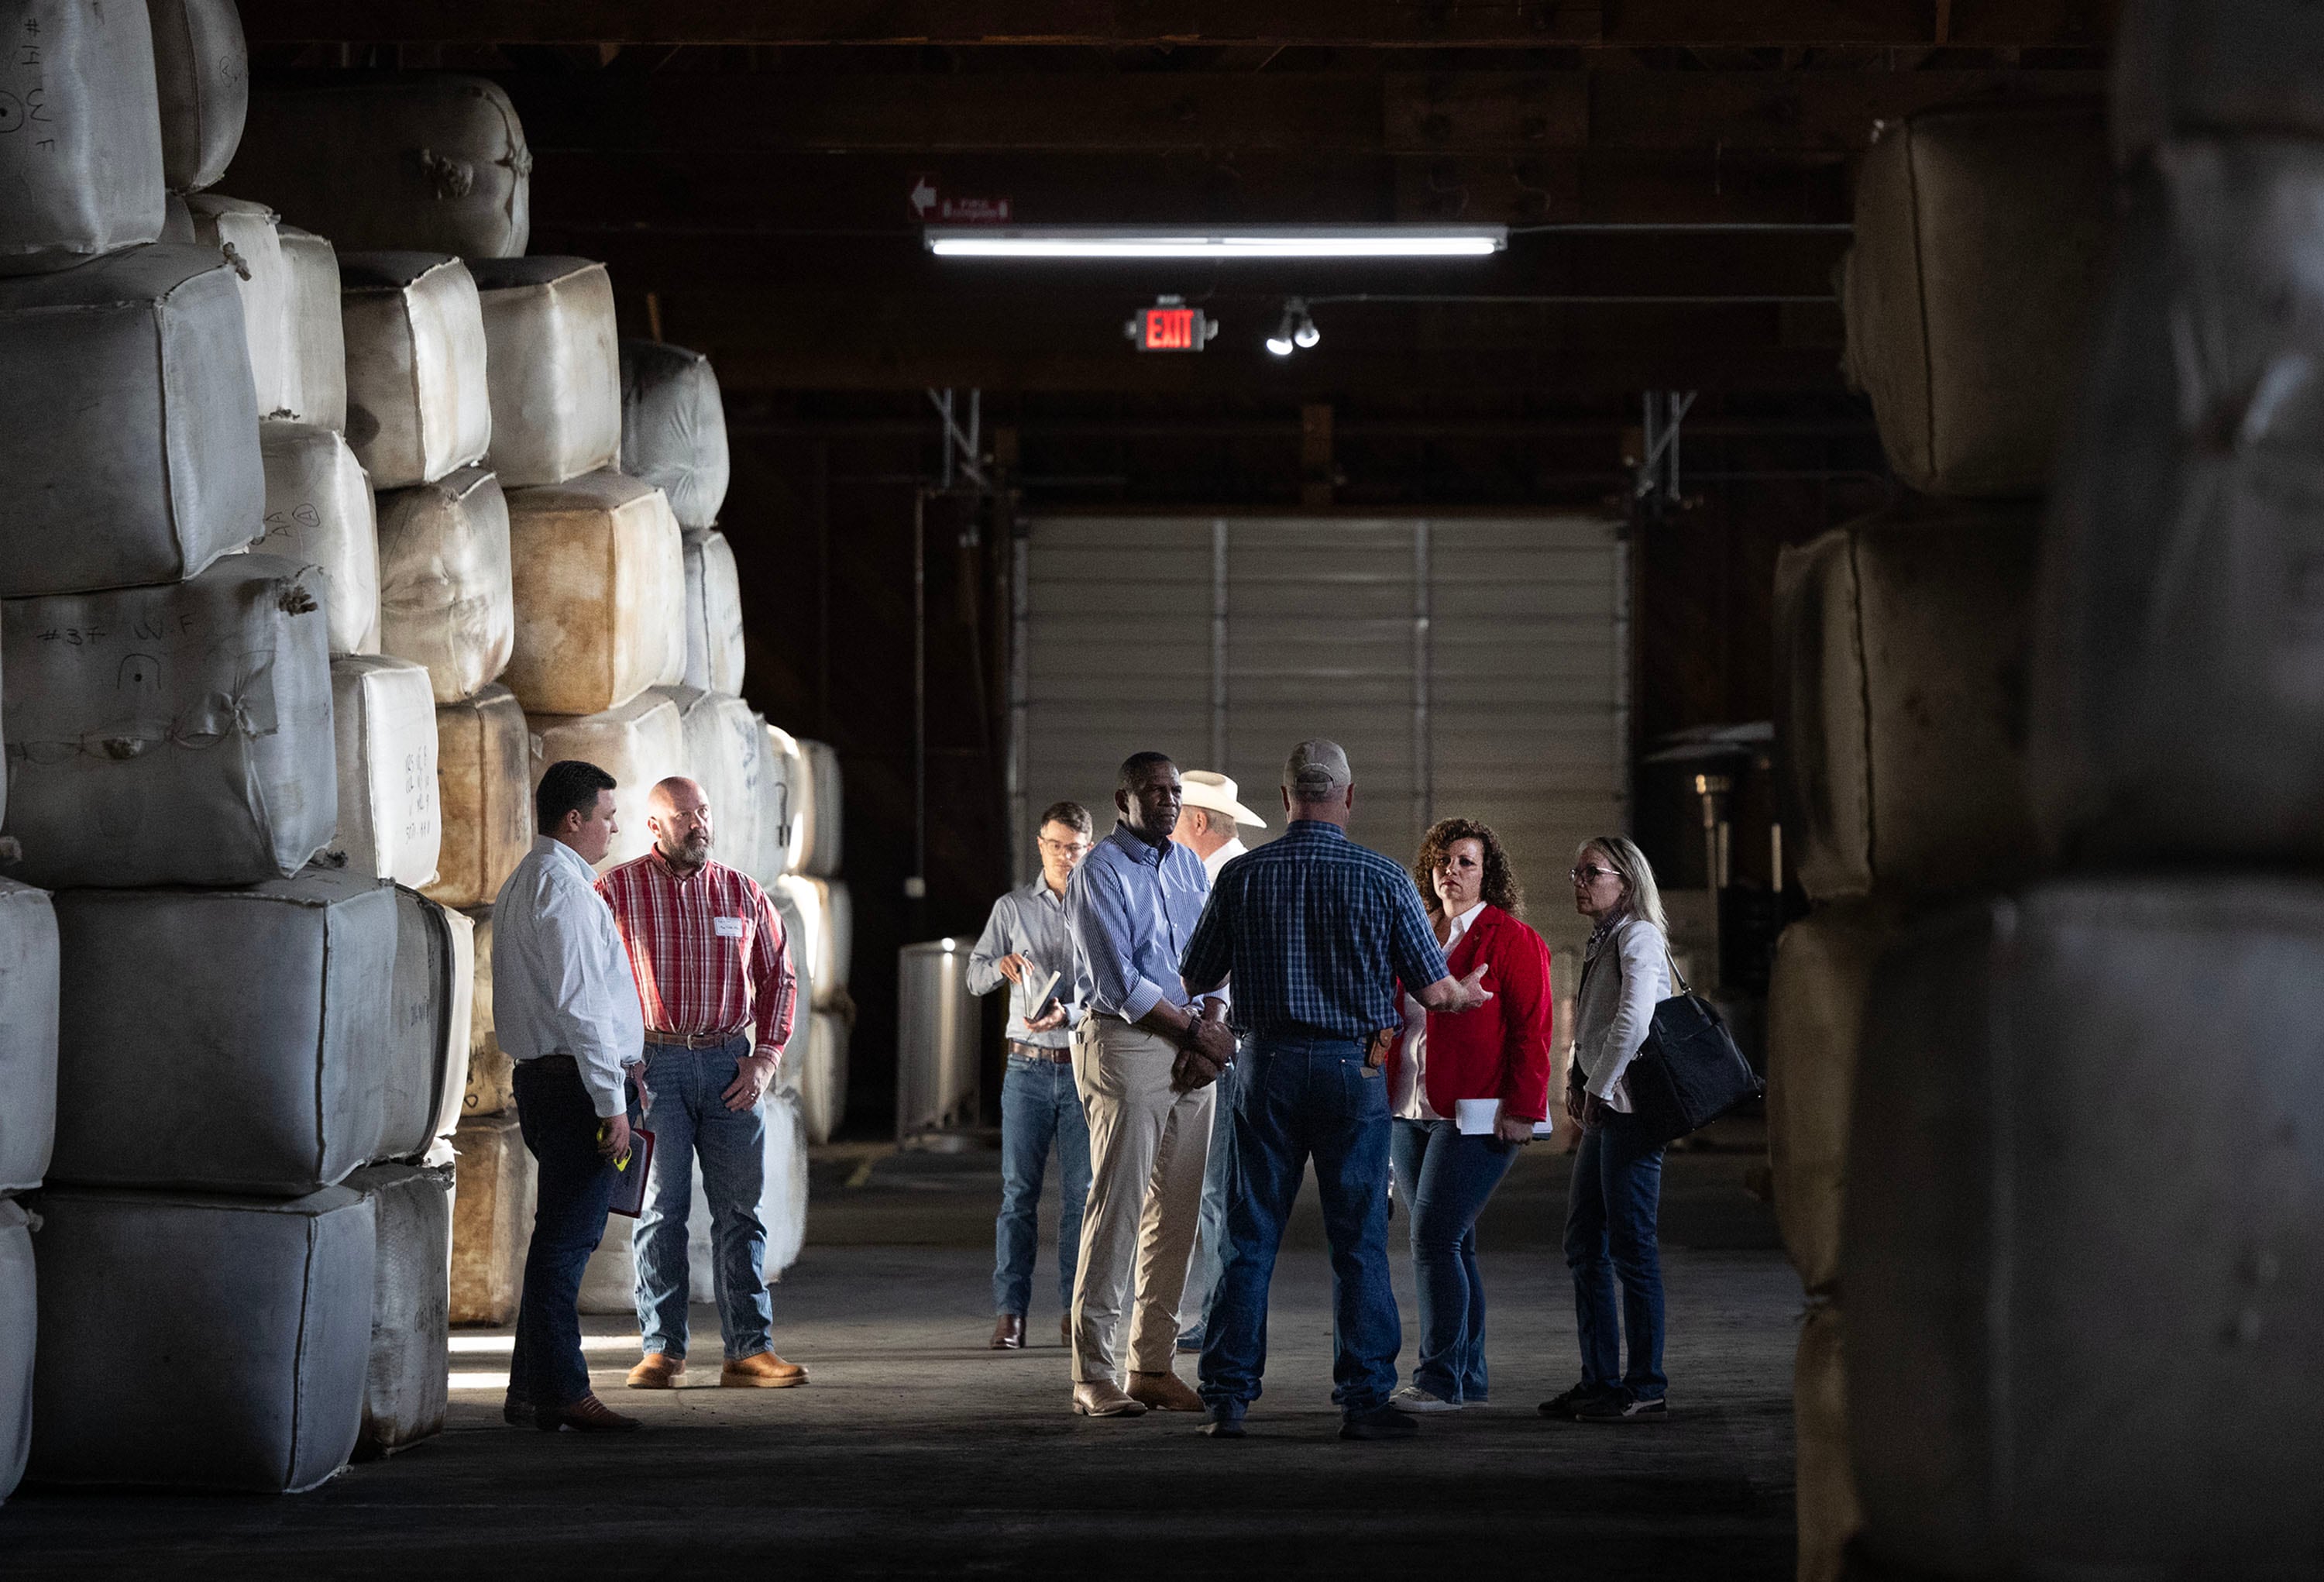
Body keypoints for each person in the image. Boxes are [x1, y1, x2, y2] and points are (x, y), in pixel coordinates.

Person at [1180, 739, 1495, 1441]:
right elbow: (1434, 991)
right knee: (1358, 1240)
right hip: (1355, 1071)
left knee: (1247, 1236)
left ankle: (1227, 1399)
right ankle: (1363, 1399)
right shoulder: (1384, 878)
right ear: (1349, 798)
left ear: (1285, 799)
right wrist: (1465, 994)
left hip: (1265, 1067)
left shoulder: (1243, 877)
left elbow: (1195, 976)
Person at [597, 777, 808, 1393]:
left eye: (703, 812)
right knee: (660, 1211)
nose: (697, 824)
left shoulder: (742, 893)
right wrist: (618, 1061)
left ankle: (749, 1350)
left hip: (728, 1067)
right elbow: (591, 980)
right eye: (683, 815)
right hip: (652, 1067)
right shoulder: (616, 891)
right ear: (654, 826)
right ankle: (662, 1351)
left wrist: (764, 1058)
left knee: (741, 1210)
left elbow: (780, 978)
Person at [1061, 752, 1236, 1419]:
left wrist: (1211, 1025)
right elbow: (1118, 982)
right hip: (1127, 1042)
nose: (1168, 800)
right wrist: (1198, 1035)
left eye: (1175, 791)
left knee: (1178, 1213)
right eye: (1154, 790)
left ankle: (1152, 1365)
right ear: (1123, 800)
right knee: (1119, 1206)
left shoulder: (1189, 865)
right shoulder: (1099, 871)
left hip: (1193, 1043)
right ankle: (1093, 1373)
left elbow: (1216, 958)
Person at [493, 759, 648, 1434]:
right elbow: (582, 1008)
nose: (616, 828)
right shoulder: (563, 890)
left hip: (551, 1081)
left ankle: (530, 1391)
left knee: (558, 1236)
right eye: (608, 816)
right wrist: (612, 1105)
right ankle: (565, 1391)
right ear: (575, 818)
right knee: (565, 1243)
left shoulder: (529, 879)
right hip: (576, 1089)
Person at [1383, 818, 1553, 1412]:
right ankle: (1468, 1377)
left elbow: (1533, 1031)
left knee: (1434, 1240)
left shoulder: (1512, 938)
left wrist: (1525, 1108)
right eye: (1442, 861)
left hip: (1478, 1113)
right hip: (1409, 1108)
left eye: (1465, 862)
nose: (1451, 871)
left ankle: (1438, 1379)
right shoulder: (1414, 932)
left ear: (1488, 873)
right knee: (1455, 1245)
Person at [1541, 835, 1676, 1424]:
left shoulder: (1639, 935)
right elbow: (1596, 1022)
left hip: (1631, 1110)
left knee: (1631, 1247)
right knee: (1584, 1243)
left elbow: (1634, 1020)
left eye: (1591, 872)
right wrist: (1577, 1076)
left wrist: (1596, 1086)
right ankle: (1599, 1380)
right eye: (1576, 872)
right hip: (1606, 1105)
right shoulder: (1607, 937)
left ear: (1626, 880)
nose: (1579, 882)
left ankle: (1645, 1385)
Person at [968, 799, 1095, 1350]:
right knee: (1018, 1195)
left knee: (1080, 1199)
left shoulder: (1101, 908)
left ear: (1089, 849)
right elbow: (973, 976)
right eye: (1056, 846)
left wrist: (1073, 1012)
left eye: (1075, 848)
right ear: (1041, 846)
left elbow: (1115, 987)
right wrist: (999, 966)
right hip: (1026, 1066)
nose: (1065, 857)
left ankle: (1075, 1313)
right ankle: (1010, 1314)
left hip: (1083, 1065)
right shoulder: (1012, 908)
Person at [1167, 771, 1268, 1353]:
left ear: (1199, 821)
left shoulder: (1224, 878)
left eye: (1177, 819)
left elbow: (1211, 972)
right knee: (1219, 1189)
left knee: (1218, 1190)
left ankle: (1219, 1320)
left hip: (1225, 1046)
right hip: (1237, 1044)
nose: (1171, 830)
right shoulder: (1237, 871)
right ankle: (1220, 1315)